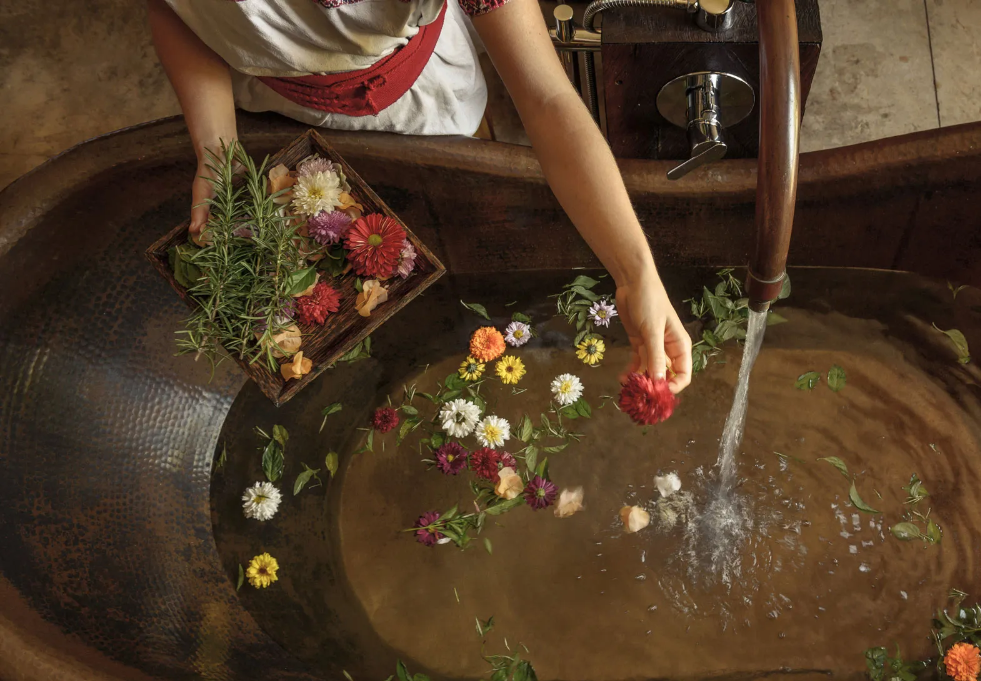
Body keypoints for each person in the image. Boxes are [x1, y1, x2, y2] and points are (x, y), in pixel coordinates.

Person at [146, 0, 692, 393]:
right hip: (278, 84)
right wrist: (216, 149)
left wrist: (635, 273)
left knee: (457, 167)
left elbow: (547, 99)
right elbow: (185, 14)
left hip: (420, 80)